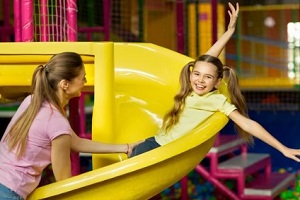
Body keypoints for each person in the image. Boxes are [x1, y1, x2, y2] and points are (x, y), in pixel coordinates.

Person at [130, 2, 300, 161]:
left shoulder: (215, 100)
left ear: (218, 82)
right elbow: (208, 59)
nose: (200, 80)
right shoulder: (189, 86)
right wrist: (229, 32)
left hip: (159, 150)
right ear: (191, 75)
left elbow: (248, 124)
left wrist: (282, 148)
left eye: (208, 77)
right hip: (151, 143)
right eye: (197, 74)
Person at [0, 52, 142, 200]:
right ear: (65, 84)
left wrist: (125, 148)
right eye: (82, 78)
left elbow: (76, 142)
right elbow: (64, 183)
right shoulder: (55, 121)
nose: (85, 82)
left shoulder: (32, 101)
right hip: (9, 191)